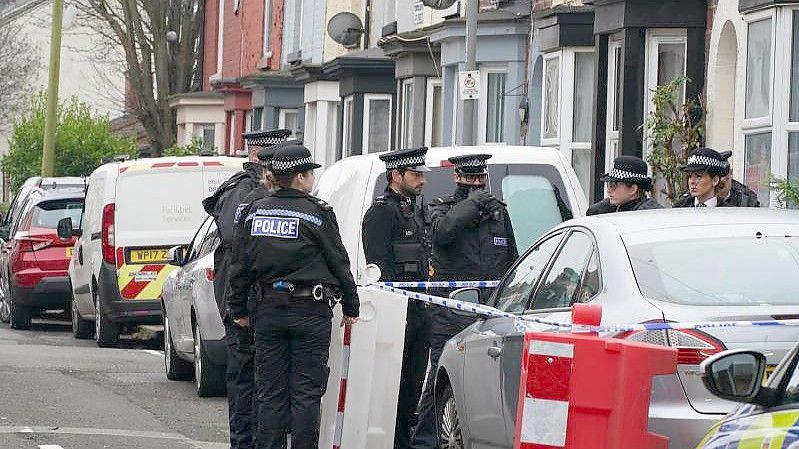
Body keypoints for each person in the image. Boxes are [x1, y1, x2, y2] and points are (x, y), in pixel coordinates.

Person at [226, 144, 360, 449]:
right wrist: (351, 303)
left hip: (268, 311)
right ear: (299, 177)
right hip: (309, 312)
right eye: (310, 172)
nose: (313, 177)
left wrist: (237, 308)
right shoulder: (318, 213)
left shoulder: (253, 212)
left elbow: (240, 265)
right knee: (306, 396)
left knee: (270, 394)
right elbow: (339, 262)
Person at [410, 154, 518, 449]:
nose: (475, 184)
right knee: (440, 380)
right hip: (450, 312)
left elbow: (512, 261)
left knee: (488, 381)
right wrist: (475, 203)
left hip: (489, 313)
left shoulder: (497, 214)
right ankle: (424, 443)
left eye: (479, 179)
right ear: (457, 177)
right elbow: (443, 233)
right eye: (469, 179)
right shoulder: (440, 207)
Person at [201, 128, 289, 449]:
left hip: (269, 300)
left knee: (269, 380)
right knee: (244, 378)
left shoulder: (273, 192)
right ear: (257, 155)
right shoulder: (239, 192)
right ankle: (243, 442)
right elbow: (238, 238)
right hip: (243, 301)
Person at [362, 147, 431, 449]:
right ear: (396, 175)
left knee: (412, 388)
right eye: (416, 175)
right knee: (393, 388)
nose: (422, 181)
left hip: (419, 310)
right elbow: (379, 267)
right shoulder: (381, 212)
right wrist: (395, 311)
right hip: (396, 314)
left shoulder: (414, 211)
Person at [586, 156, 662, 215]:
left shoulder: (647, 215)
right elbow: (593, 212)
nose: (608, 190)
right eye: (608, 185)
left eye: (613, 185)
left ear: (633, 189)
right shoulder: (617, 207)